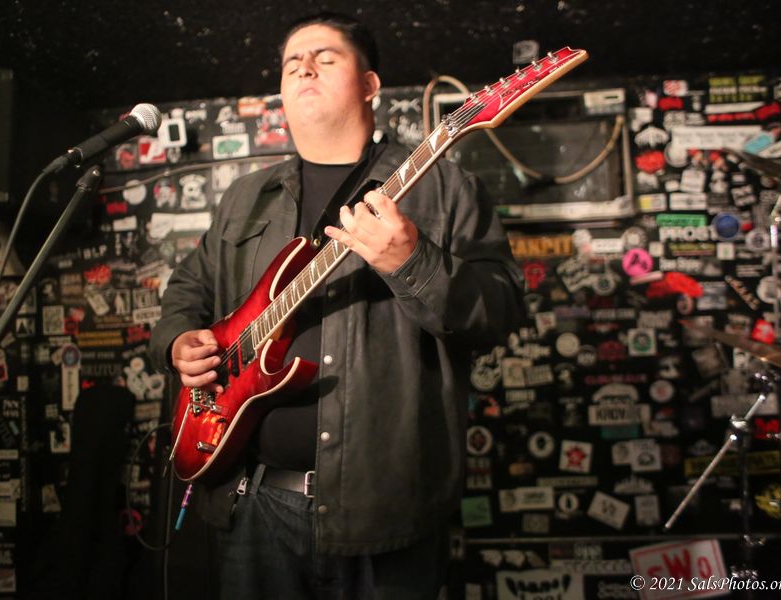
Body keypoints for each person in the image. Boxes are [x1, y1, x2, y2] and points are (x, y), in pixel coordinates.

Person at [150, 12, 524, 600]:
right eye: (292, 64)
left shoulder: (444, 188)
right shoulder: (246, 198)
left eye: (325, 58)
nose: (305, 69)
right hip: (253, 504)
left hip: (386, 510)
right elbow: (186, 293)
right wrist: (178, 341)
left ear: (370, 84)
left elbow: (499, 311)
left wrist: (412, 261)